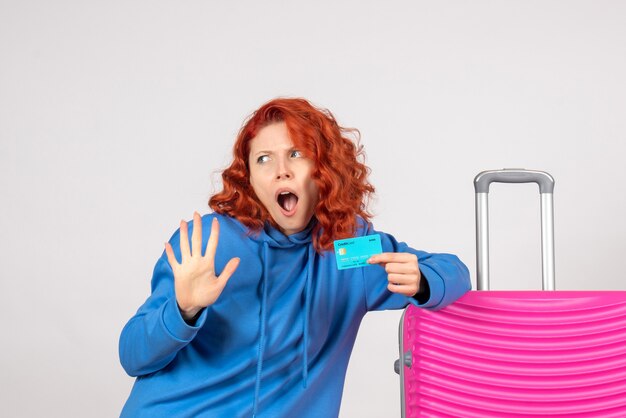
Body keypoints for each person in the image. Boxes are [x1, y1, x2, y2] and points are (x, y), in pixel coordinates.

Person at [118, 98, 471, 418]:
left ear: (325, 168)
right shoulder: (207, 244)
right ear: (251, 178)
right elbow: (133, 356)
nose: (280, 170)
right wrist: (182, 311)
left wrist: (424, 282)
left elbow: (453, 272)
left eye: (297, 154)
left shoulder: (348, 249)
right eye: (263, 159)